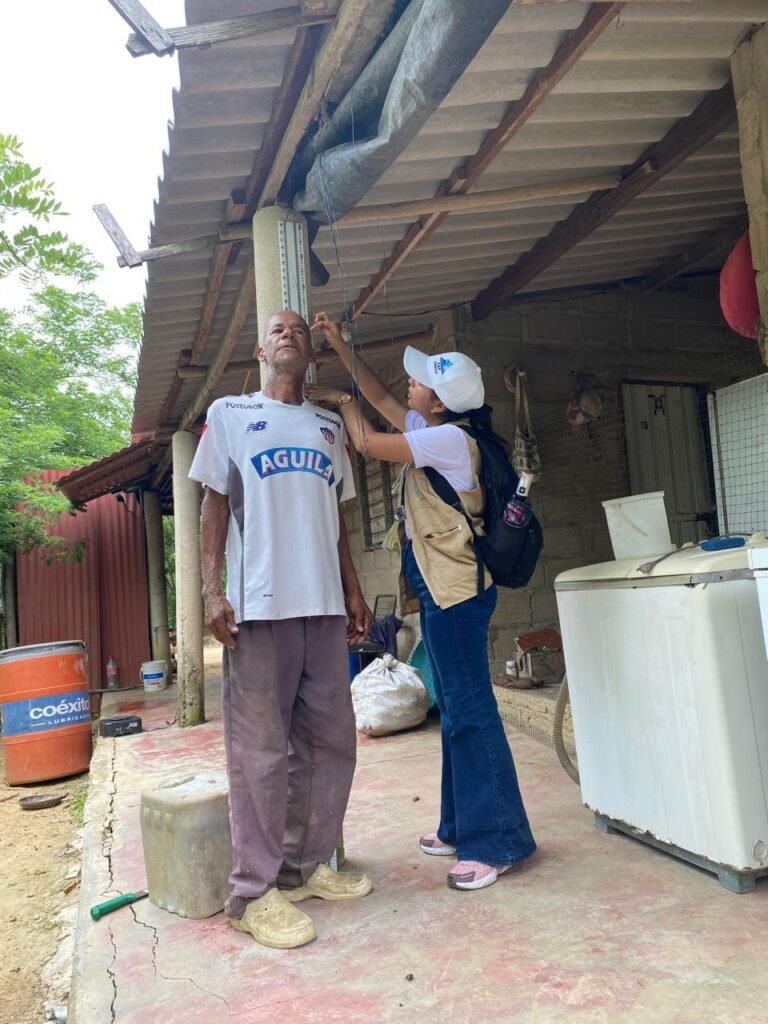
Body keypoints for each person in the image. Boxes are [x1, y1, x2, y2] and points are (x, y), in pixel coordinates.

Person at [307, 311, 536, 892]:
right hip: (441, 587)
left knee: (471, 710)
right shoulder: (436, 428)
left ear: (439, 403)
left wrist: (339, 399)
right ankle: (460, 826)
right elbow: (381, 397)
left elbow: (364, 438)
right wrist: (338, 343)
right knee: (454, 708)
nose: (408, 383)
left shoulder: (448, 440)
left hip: (457, 592)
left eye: (421, 381)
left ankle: (500, 841)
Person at [189, 309, 373, 949]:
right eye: (276, 330)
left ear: (311, 353)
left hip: (322, 608)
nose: (289, 334)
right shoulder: (231, 414)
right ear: (260, 351)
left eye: (298, 329)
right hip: (259, 608)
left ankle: (305, 867)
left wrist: (353, 589)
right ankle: (252, 892)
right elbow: (213, 503)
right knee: (260, 755)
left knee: (330, 744)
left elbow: (337, 518)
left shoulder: (328, 426)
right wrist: (212, 590)